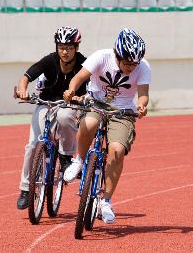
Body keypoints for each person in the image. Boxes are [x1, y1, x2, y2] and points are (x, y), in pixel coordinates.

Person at [63, 28, 151, 224]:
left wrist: (142, 105)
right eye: (127, 63)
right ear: (117, 55)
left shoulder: (143, 66)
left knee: (117, 150)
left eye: (134, 64)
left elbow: (143, 93)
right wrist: (70, 90)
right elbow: (79, 78)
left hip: (123, 111)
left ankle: (106, 201)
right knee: (89, 123)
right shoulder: (101, 57)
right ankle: (79, 160)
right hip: (96, 103)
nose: (131, 68)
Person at [15, 26, 88, 210]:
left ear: (76, 48)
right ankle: (25, 189)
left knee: (65, 117)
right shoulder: (49, 61)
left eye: (69, 47)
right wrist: (23, 90)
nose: (65, 51)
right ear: (57, 47)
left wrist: (82, 98)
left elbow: (93, 86)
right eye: (61, 47)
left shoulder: (84, 64)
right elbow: (26, 77)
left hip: (71, 106)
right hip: (45, 103)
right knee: (32, 145)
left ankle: (65, 159)